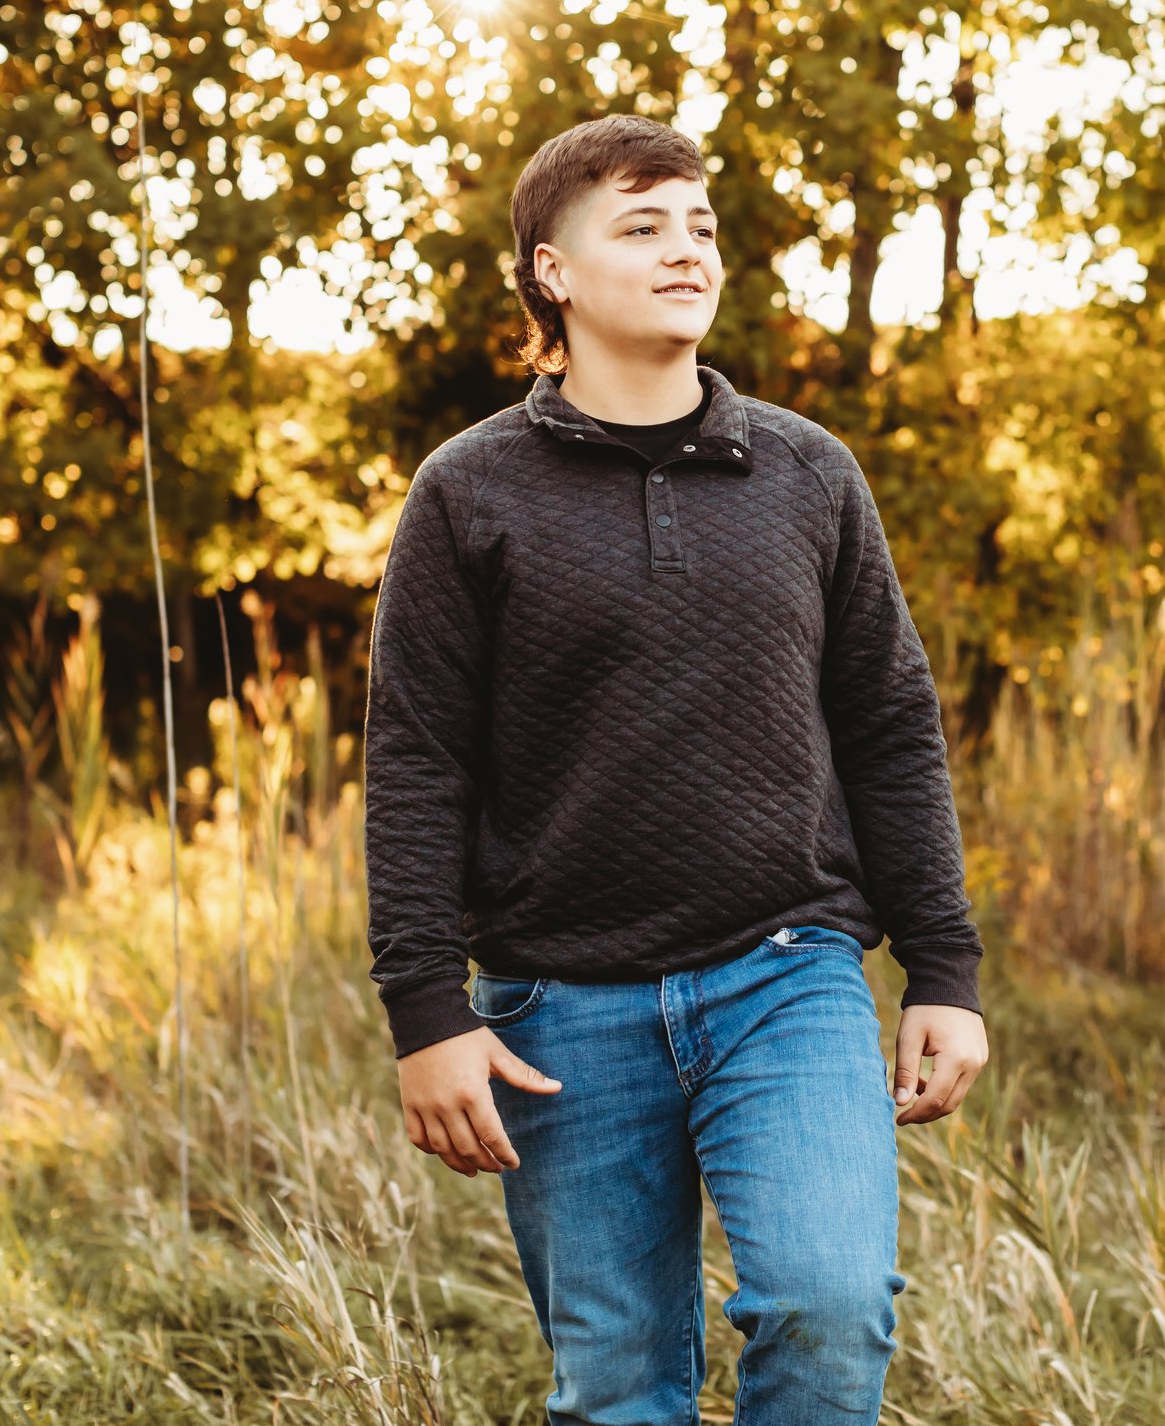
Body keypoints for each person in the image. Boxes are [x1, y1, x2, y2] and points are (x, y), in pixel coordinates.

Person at [360, 112, 990, 1421]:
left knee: (829, 1308)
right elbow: (416, 764)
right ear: (553, 271)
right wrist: (428, 1013)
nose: (686, 249)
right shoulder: (469, 495)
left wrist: (945, 967)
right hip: (556, 1012)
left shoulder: (809, 475)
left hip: (788, 976)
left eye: (699, 225)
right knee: (619, 1386)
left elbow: (889, 726)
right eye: (640, 226)